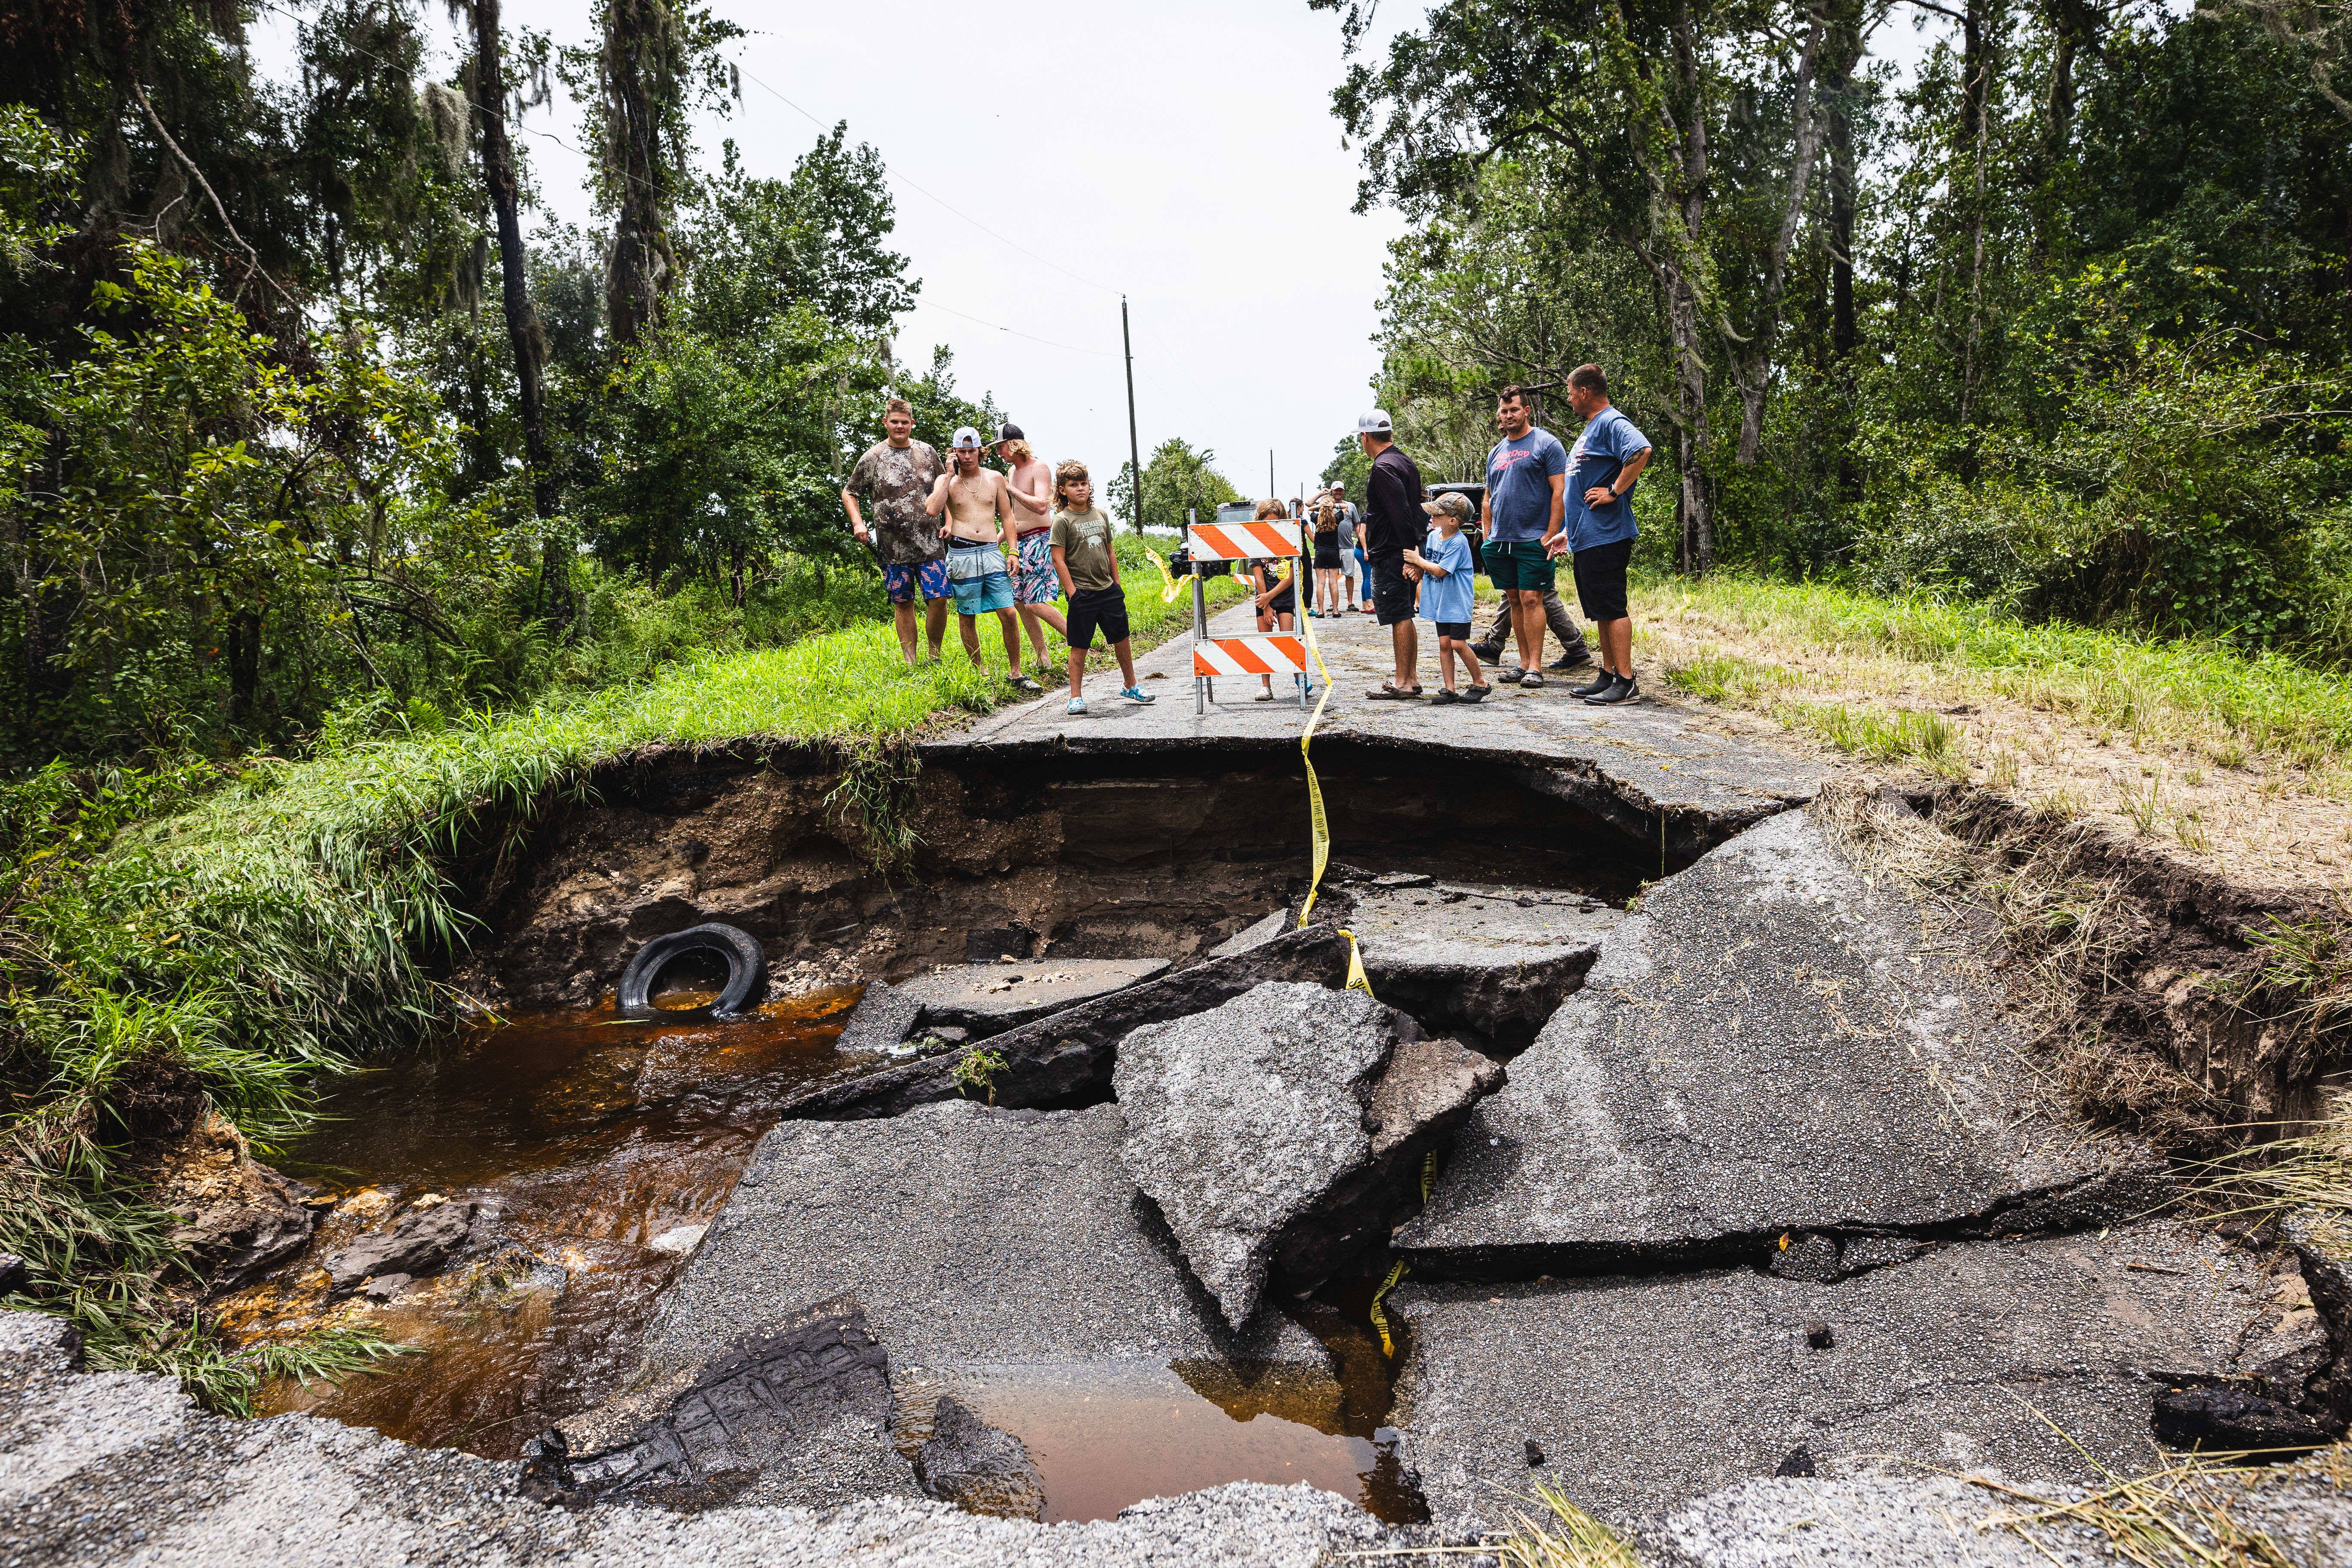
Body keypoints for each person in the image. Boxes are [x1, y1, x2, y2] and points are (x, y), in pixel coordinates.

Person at [1557, 364, 1653, 705]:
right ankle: (1609, 674)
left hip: (1608, 534)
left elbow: (1641, 451)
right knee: (1599, 609)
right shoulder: (1592, 427)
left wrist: (1614, 491)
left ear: (1585, 392)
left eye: (1571, 393)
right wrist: (1567, 532)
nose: (1570, 399)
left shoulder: (1612, 421)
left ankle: (1626, 681)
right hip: (1586, 536)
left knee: (1612, 607)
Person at [925, 426, 1041, 692]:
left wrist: (1013, 551)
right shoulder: (946, 480)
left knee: (1009, 613)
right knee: (968, 615)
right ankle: (981, 672)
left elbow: (1007, 516)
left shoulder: (995, 478)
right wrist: (948, 475)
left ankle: (1016, 673)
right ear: (954, 453)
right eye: (962, 452)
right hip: (962, 554)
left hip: (991, 551)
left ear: (981, 452)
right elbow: (932, 509)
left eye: (972, 451)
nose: (967, 457)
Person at [842, 397, 949, 667]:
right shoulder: (873, 457)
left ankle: (934, 655)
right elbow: (849, 492)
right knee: (903, 602)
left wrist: (950, 521)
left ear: (912, 423)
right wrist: (858, 523)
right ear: (885, 423)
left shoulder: (927, 452)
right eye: (894, 422)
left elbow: (945, 488)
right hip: (893, 548)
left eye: (904, 422)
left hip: (931, 543)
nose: (900, 426)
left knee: (939, 599)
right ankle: (910, 661)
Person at [1478, 384, 1571, 689]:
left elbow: (1560, 490)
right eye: (1504, 411)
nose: (1509, 415)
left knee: (1532, 599)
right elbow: (1488, 497)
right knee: (1514, 600)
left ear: (1526, 411)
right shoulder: (1496, 452)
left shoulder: (1547, 444)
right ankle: (1522, 663)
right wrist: (1488, 535)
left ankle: (1536, 667)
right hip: (1501, 540)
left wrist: (1551, 533)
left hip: (1534, 537)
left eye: (1514, 410)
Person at [1048, 461, 1153, 714]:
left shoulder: (1101, 515)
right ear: (1062, 490)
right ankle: (1075, 697)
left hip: (1108, 591)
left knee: (1122, 639)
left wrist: (1117, 584)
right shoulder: (1062, 520)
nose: (1080, 489)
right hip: (1082, 593)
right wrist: (1073, 593)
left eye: (1084, 483)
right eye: (1073, 485)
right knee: (1080, 645)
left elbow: (1109, 551)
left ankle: (1131, 685)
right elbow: (1058, 559)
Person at [1356, 410, 1426, 699]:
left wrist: (1411, 556)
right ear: (1391, 434)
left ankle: (1403, 682)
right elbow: (1416, 510)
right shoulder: (1404, 461)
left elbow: (1401, 513)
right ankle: (1412, 678)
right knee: (1405, 612)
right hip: (1404, 550)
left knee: (1399, 615)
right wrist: (1416, 550)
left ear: (1365, 437)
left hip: (1393, 553)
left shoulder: (1383, 467)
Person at [996, 423, 1068, 668]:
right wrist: (997, 540)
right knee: (1019, 602)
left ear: (1014, 444)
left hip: (1039, 539)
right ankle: (1043, 657)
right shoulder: (1011, 471)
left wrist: (1009, 488)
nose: (999, 452)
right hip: (1019, 542)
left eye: (1001, 447)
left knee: (1035, 602)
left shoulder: (1039, 467)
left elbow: (1041, 506)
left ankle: (1079, 641)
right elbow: (1015, 516)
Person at [1406, 493, 1487, 704]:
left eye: (1437, 514)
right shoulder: (1434, 536)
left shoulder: (1458, 542)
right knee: (1444, 644)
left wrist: (1417, 560)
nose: (1432, 517)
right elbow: (1429, 564)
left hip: (1457, 602)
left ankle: (1480, 682)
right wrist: (1418, 567)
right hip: (1441, 603)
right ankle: (1449, 689)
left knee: (1458, 644)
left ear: (1452, 521)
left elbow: (1441, 571)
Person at [1246, 497, 1302, 701]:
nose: (1271, 526)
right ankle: (1266, 686)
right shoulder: (1255, 543)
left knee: (1288, 639)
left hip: (1284, 596)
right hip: (1263, 599)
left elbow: (1290, 576)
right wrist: (1266, 605)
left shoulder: (1288, 540)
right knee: (1265, 641)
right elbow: (1259, 577)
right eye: (1267, 522)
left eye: (1275, 522)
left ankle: (1299, 677)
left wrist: (1271, 596)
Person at [1310, 499, 1344, 616]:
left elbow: (1309, 510)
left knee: (1320, 583)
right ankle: (1336, 610)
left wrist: (1319, 506)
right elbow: (1345, 507)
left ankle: (1320, 611)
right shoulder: (1336, 518)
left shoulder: (1317, 518)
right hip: (1333, 552)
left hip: (1320, 552)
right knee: (1333, 582)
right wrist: (1334, 505)